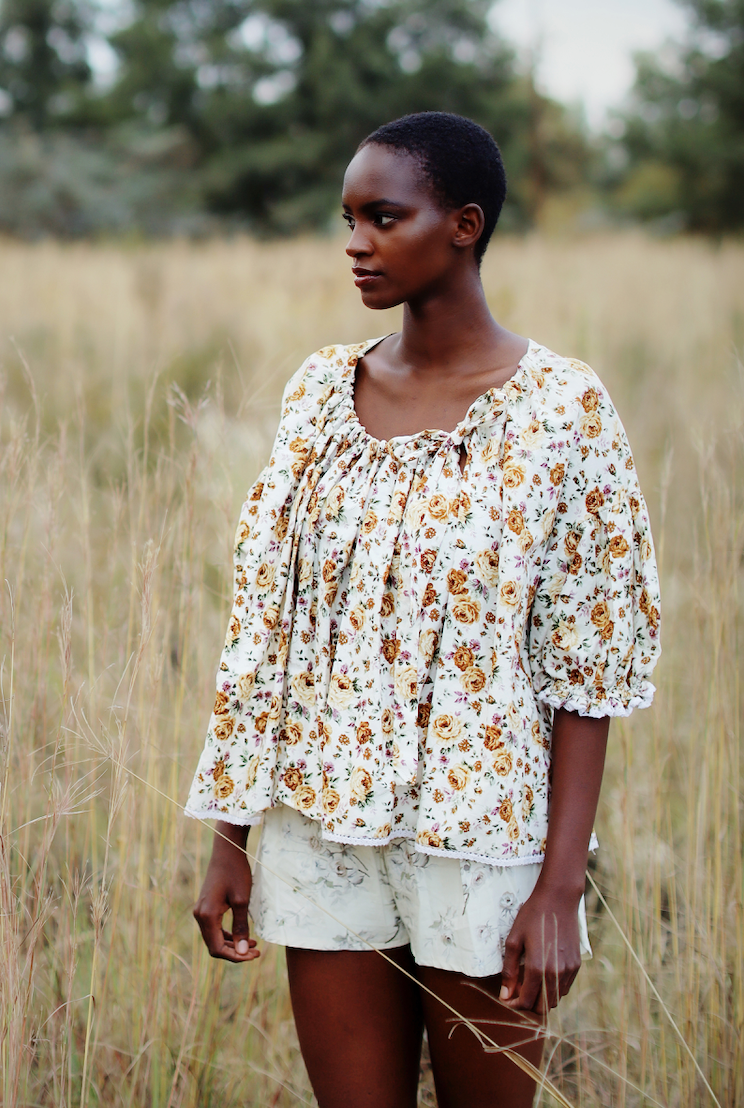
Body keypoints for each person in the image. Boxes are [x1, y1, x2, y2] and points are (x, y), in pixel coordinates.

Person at [187, 112, 661, 1108]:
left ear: (464, 224)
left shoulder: (563, 410)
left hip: (486, 842)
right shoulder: (319, 393)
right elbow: (263, 630)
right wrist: (230, 837)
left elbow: (589, 666)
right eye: (348, 218)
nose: (354, 243)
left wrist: (560, 885)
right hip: (319, 833)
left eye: (383, 216)